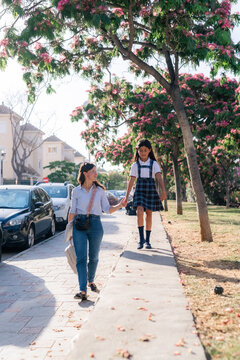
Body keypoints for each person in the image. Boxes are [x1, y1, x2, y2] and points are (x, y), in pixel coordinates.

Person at [68, 162, 125, 301]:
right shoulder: (76, 191)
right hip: (79, 225)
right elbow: (72, 212)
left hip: (95, 225)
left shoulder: (99, 191)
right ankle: (82, 290)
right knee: (81, 259)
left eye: (96, 171)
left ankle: (91, 280)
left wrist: (120, 205)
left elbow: (107, 209)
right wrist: (69, 232)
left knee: (93, 257)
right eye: (93, 171)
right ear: (85, 173)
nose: (96, 174)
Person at [123, 139, 167, 249]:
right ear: (137, 151)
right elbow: (131, 181)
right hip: (140, 189)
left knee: (149, 213)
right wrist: (126, 196)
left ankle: (147, 240)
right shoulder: (135, 165)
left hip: (150, 188)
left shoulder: (154, 164)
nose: (143, 153)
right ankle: (141, 239)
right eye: (141, 150)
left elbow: (159, 178)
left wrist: (163, 191)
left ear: (149, 150)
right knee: (139, 211)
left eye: (145, 150)